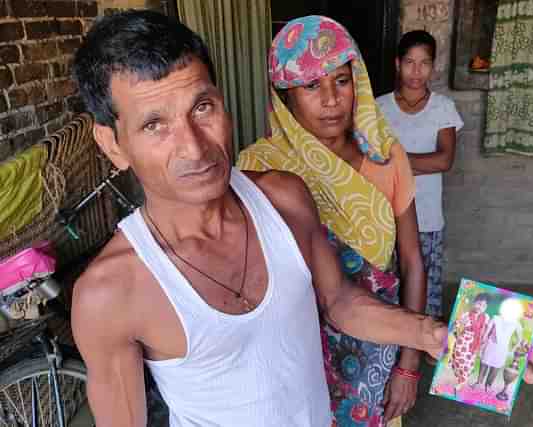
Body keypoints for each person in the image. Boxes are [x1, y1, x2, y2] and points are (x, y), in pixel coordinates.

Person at [70, 10, 449, 427]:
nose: (194, 149)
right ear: (112, 145)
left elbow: (340, 301)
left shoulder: (283, 197)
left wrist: (426, 333)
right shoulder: (110, 293)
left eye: (202, 107)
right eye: (155, 124)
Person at [237, 16, 427, 426]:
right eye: (311, 85)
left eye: (341, 81)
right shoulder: (259, 167)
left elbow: (411, 260)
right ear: (285, 93)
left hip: (379, 344)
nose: (331, 99)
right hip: (298, 357)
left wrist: (408, 366)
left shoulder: (386, 157)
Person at [376, 31, 463, 322]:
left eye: (424, 63)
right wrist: (412, 164)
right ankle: (394, 341)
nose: (416, 71)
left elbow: (444, 159)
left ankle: (426, 341)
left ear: (433, 66)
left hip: (426, 214)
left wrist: (396, 162)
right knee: (390, 282)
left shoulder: (443, 108)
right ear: (397, 64)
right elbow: (370, 160)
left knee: (427, 282)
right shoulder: (379, 108)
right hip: (385, 214)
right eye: (409, 62)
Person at [475, 298, 524, 393]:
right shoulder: (496, 318)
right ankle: (478, 383)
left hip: (502, 349)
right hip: (490, 345)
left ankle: (488, 386)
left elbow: (520, 338)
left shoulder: (516, 323)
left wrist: (513, 349)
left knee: (495, 368)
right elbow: (486, 332)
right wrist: (483, 343)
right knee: (484, 363)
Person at [450, 293, 490, 394]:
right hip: (463, 342)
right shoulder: (466, 314)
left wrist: (483, 343)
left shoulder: (486, 317)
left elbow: (486, 331)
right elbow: (455, 326)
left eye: (484, 306)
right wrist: (459, 328)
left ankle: (461, 382)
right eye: (479, 304)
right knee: (460, 362)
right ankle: (460, 381)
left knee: (469, 365)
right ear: (474, 303)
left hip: (475, 343)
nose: (481, 307)